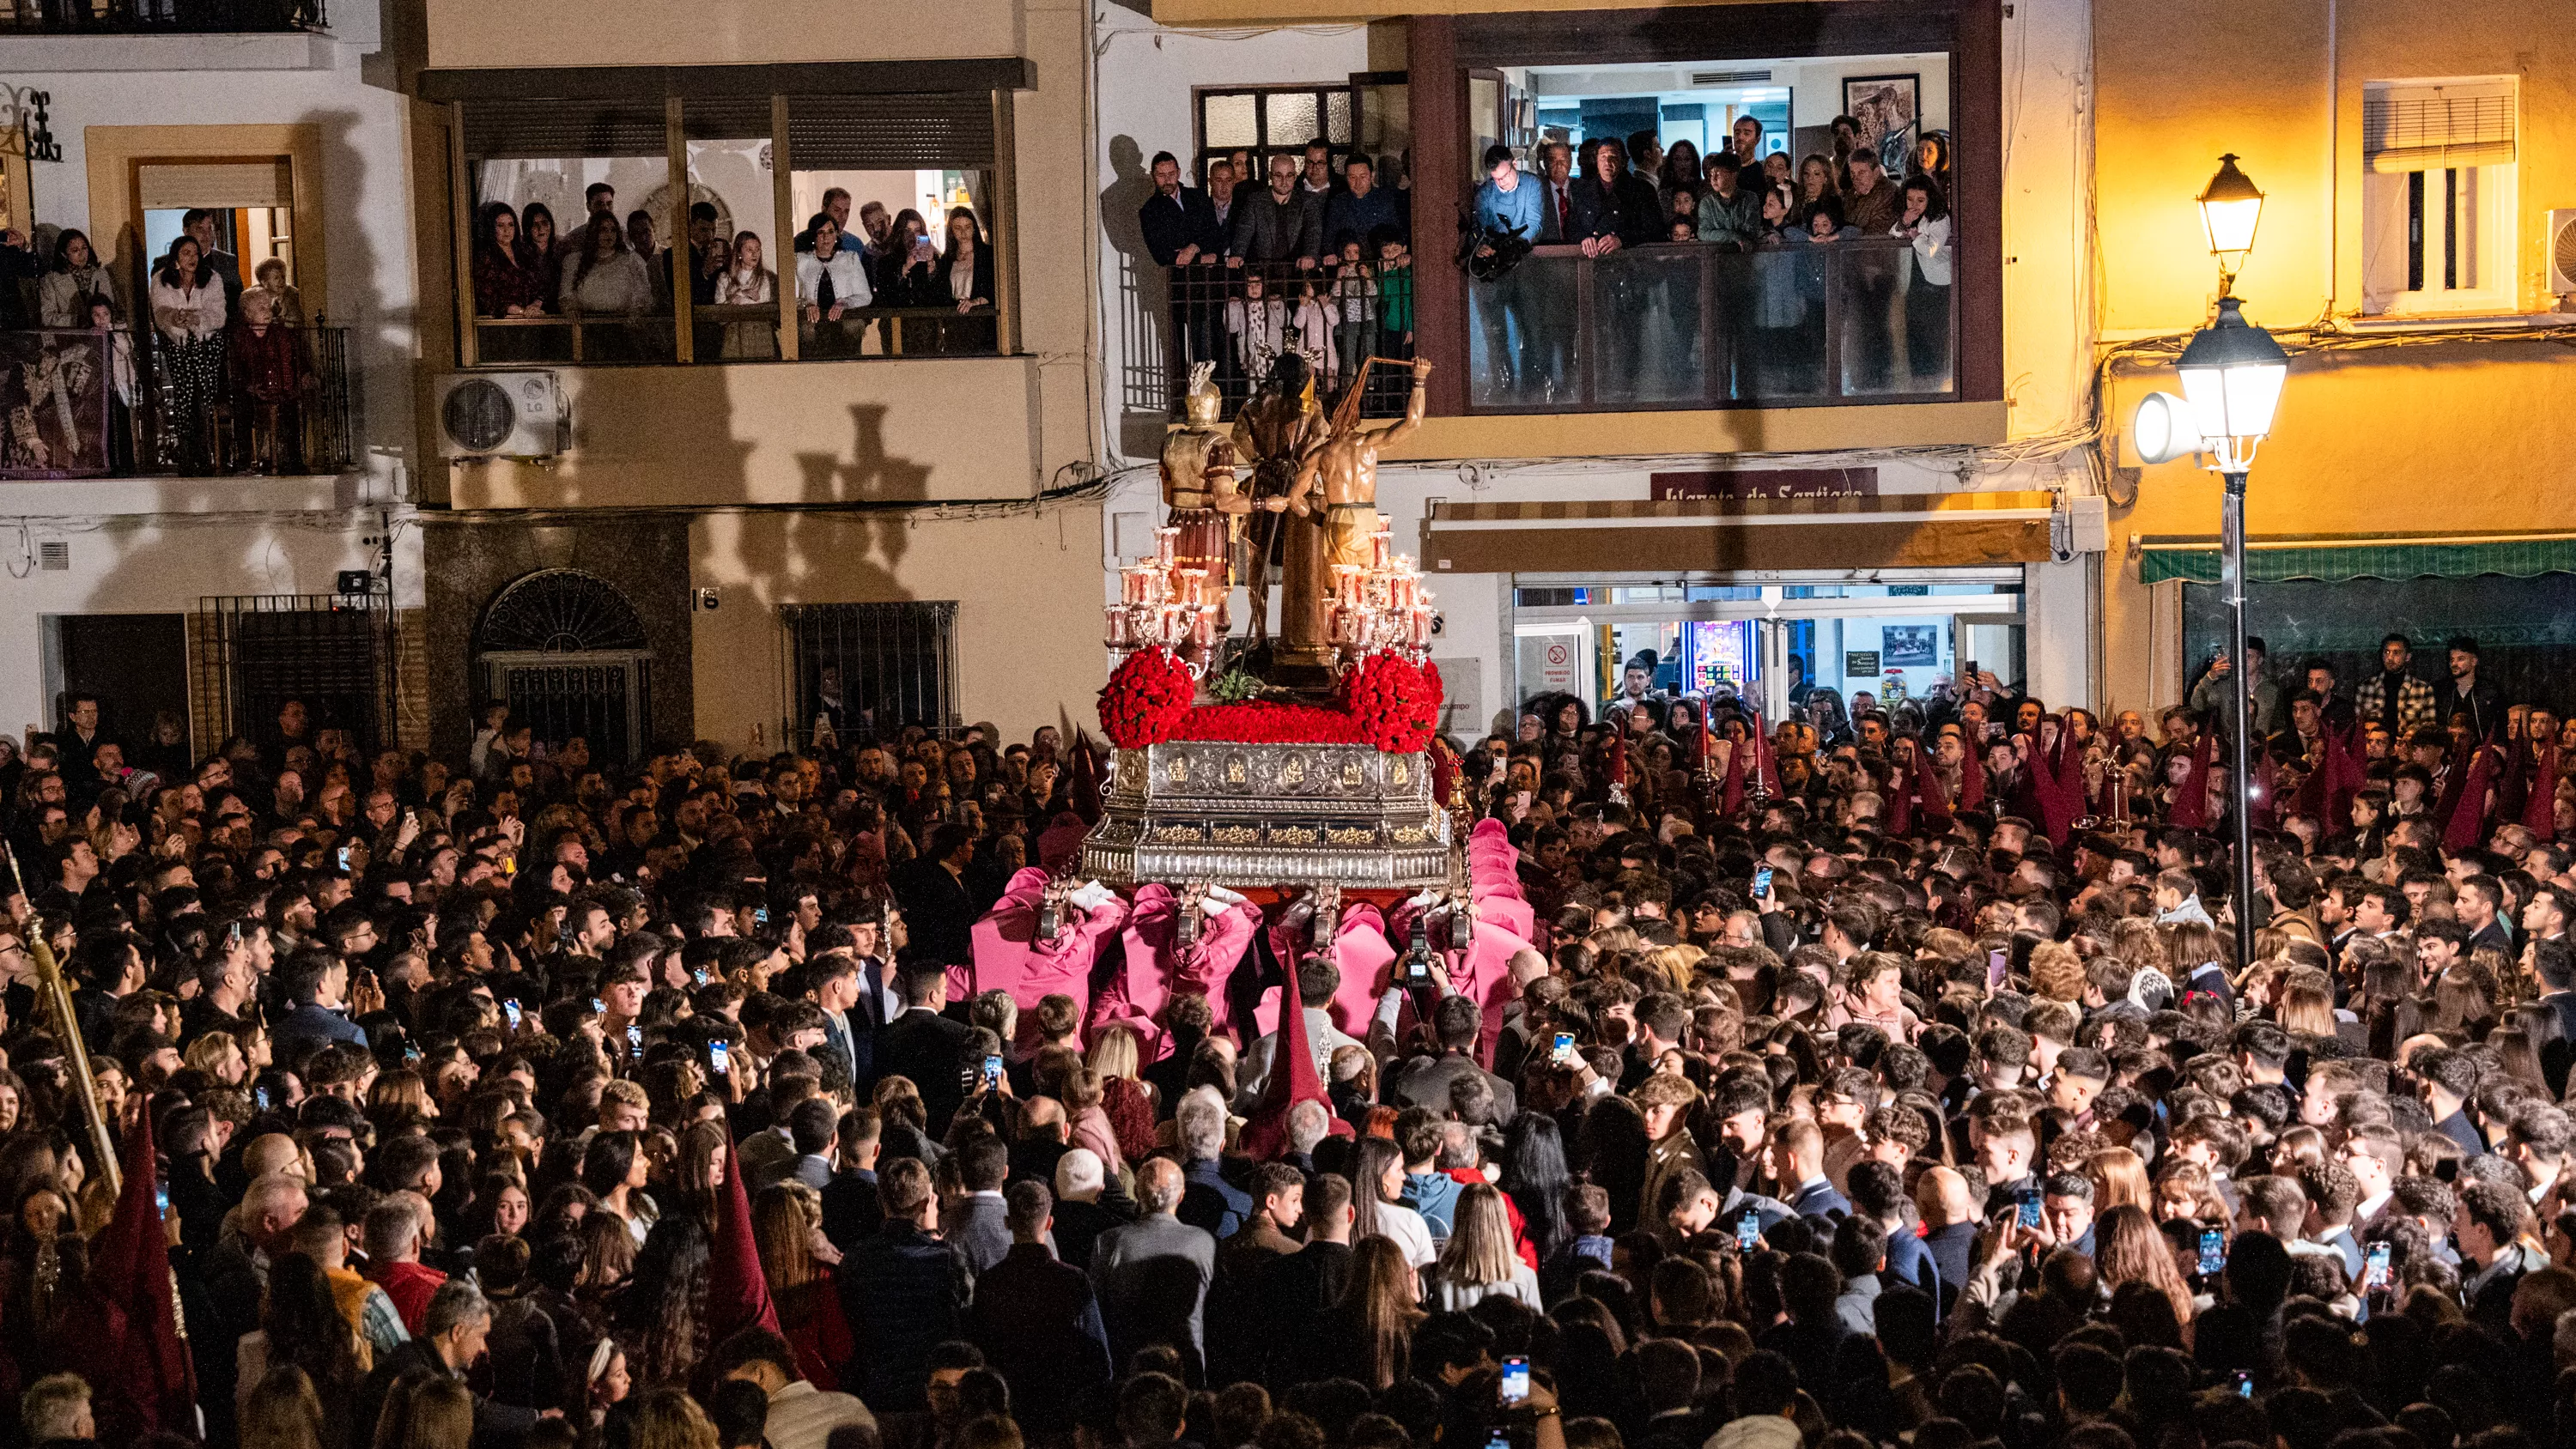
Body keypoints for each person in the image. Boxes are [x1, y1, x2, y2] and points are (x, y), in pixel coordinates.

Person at [149, 232, 228, 472]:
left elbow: (219, 314)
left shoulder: (212, 279)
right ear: (175, 257)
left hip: (206, 343)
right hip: (179, 343)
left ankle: (206, 455)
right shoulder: (161, 279)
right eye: (186, 253)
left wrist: (196, 318)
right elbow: (160, 311)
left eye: (195, 253)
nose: (192, 258)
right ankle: (185, 455)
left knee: (204, 396)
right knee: (184, 396)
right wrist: (175, 317)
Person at [1893, 174, 1952, 388]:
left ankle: (1936, 380)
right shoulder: (1912, 217)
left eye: (1920, 200)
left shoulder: (1940, 219)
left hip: (1936, 283)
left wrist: (1916, 235)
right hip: (1914, 280)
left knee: (1934, 332)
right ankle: (1919, 379)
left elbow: (1930, 250)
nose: (1915, 205)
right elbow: (1894, 233)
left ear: (1930, 200)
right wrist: (1905, 222)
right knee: (1914, 328)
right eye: (1910, 200)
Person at [795, 215, 874, 358]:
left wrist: (845, 303)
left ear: (836, 235)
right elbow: (790, 298)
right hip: (812, 330)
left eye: (831, 232)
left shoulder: (850, 258)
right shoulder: (800, 260)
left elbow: (865, 296)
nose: (826, 237)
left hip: (844, 329)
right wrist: (807, 304)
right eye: (821, 232)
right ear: (814, 235)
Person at [933, 208, 995, 354]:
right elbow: (941, 293)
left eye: (967, 227)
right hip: (955, 321)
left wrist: (976, 301)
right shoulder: (946, 260)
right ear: (951, 231)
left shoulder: (987, 255)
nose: (963, 232)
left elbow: (995, 288)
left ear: (974, 228)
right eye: (958, 228)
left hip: (982, 321)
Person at [714, 232, 777, 360]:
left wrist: (738, 300)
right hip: (734, 337)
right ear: (739, 252)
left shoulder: (767, 278)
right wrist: (742, 294)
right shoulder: (725, 278)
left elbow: (763, 305)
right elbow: (719, 314)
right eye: (749, 249)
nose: (755, 254)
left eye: (757, 249)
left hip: (760, 336)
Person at [38, 230, 112, 328]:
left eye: (84, 248)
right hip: (69, 337)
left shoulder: (101, 274)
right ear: (63, 254)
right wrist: (76, 320)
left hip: (101, 336)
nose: (82, 254)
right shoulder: (51, 279)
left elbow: (112, 308)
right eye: (75, 250)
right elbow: (46, 317)